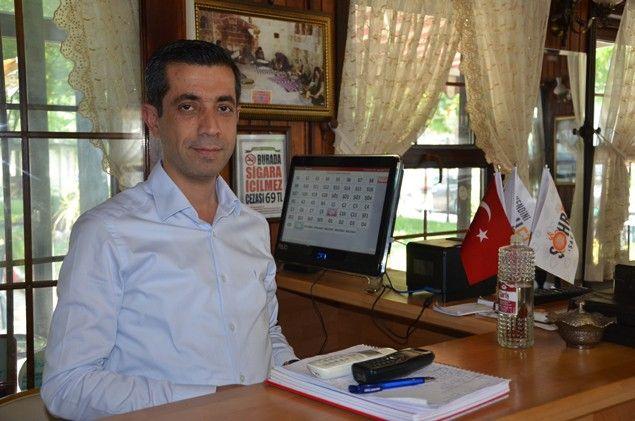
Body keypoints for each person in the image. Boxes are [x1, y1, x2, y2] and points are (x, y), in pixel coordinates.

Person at [40, 39, 297, 420]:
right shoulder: (106, 233)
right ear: (153, 119)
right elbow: (68, 384)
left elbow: (266, 334)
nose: (210, 128)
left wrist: (304, 379)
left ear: (237, 116)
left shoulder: (252, 226)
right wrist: (209, 400)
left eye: (223, 108)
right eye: (188, 107)